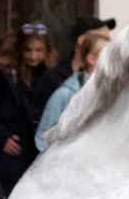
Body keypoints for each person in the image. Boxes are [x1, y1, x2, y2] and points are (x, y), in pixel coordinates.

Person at [0, 23, 66, 190]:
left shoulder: (51, 76)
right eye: (28, 50)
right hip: (7, 160)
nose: (34, 56)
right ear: (19, 50)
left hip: (37, 159)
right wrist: (1, 136)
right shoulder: (2, 74)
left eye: (39, 50)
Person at [36, 26, 110, 154]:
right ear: (91, 59)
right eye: (107, 55)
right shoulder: (65, 94)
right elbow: (43, 138)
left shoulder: (108, 92)